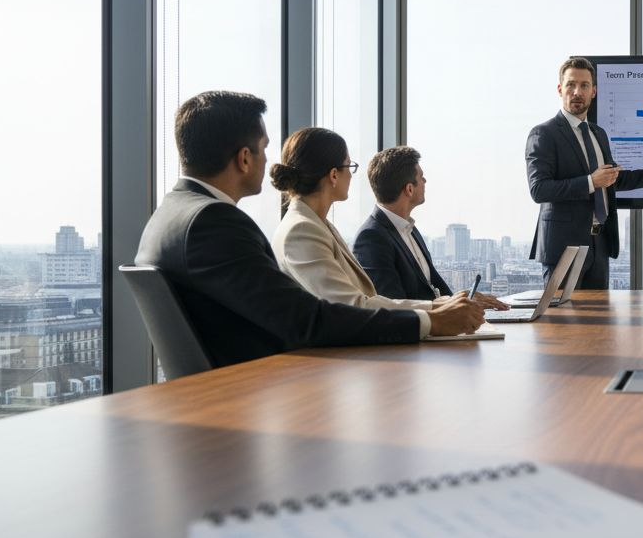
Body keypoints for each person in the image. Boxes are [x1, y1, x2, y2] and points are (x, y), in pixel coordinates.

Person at [135, 92, 484, 370]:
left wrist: (433, 313)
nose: (267, 160)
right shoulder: (214, 222)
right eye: (263, 149)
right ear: (244, 158)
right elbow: (307, 320)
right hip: (266, 392)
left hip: (238, 395)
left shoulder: (170, 216)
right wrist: (430, 322)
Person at [269, 128, 506, 317]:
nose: (352, 175)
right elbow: (352, 306)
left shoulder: (319, 225)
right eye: (349, 166)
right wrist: (438, 313)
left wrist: (452, 303)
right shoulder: (302, 229)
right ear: (333, 175)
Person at [526, 56, 643, 289]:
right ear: (560, 89)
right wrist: (590, 182)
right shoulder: (543, 134)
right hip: (563, 249)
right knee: (563, 322)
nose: (577, 91)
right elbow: (539, 190)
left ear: (593, 91)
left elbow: (613, 179)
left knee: (601, 324)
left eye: (584, 85)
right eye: (571, 85)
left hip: (600, 246)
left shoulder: (599, 134)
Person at [353, 146, 457, 302]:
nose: (425, 181)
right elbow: (393, 306)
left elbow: (433, 286)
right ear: (409, 189)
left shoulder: (410, 229)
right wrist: (452, 305)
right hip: (419, 325)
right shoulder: (371, 238)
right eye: (421, 177)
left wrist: (466, 300)